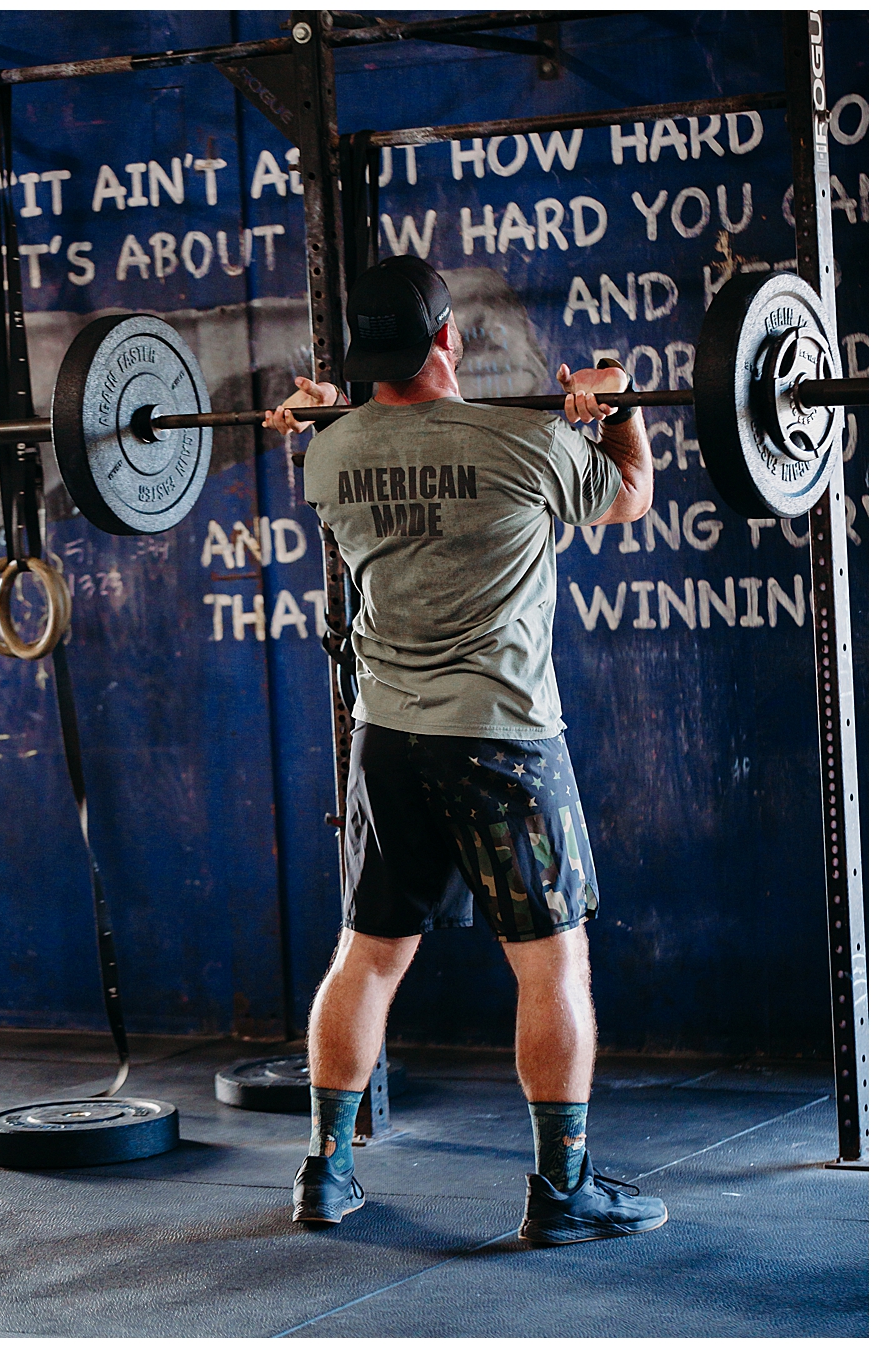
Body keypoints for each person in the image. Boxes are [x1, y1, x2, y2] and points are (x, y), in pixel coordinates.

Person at [264, 255, 667, 1247]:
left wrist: (320, 412)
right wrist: (616, 403)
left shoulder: (328, 458)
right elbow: (629, 495)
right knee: (551, 963)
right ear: (449, 340)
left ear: (368, 359)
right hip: (505, 742)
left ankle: (326, 1173)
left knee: (365, 957)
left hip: (388, 740)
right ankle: (562, 1191)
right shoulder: (525, 443)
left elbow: (330, 444)